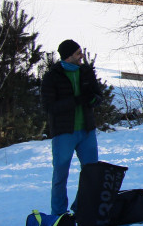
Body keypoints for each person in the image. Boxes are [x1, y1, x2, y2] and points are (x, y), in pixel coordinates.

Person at [41, 39, 100, 215]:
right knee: (60, 175)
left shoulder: (86, 72)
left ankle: (82, 209)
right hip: (63, 132)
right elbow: (49, 107)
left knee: (91, 174)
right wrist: (76, 100)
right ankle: (59, 214)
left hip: (87, 131)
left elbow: (98, 97)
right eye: (78, 53)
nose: (81, 56)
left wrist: (92, 99)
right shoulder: (52, 76)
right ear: (68, 56)